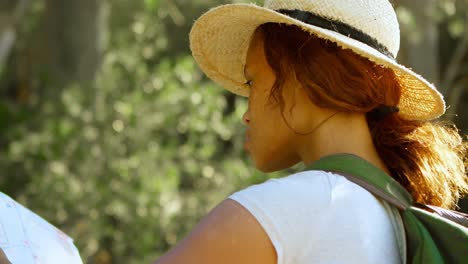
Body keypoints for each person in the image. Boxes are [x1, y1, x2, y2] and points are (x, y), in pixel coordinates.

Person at [156, 0, 468, 263]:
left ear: (304, 79)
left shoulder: (290, 208)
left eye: (252, 82)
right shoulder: (396, 219)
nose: (246, 115)